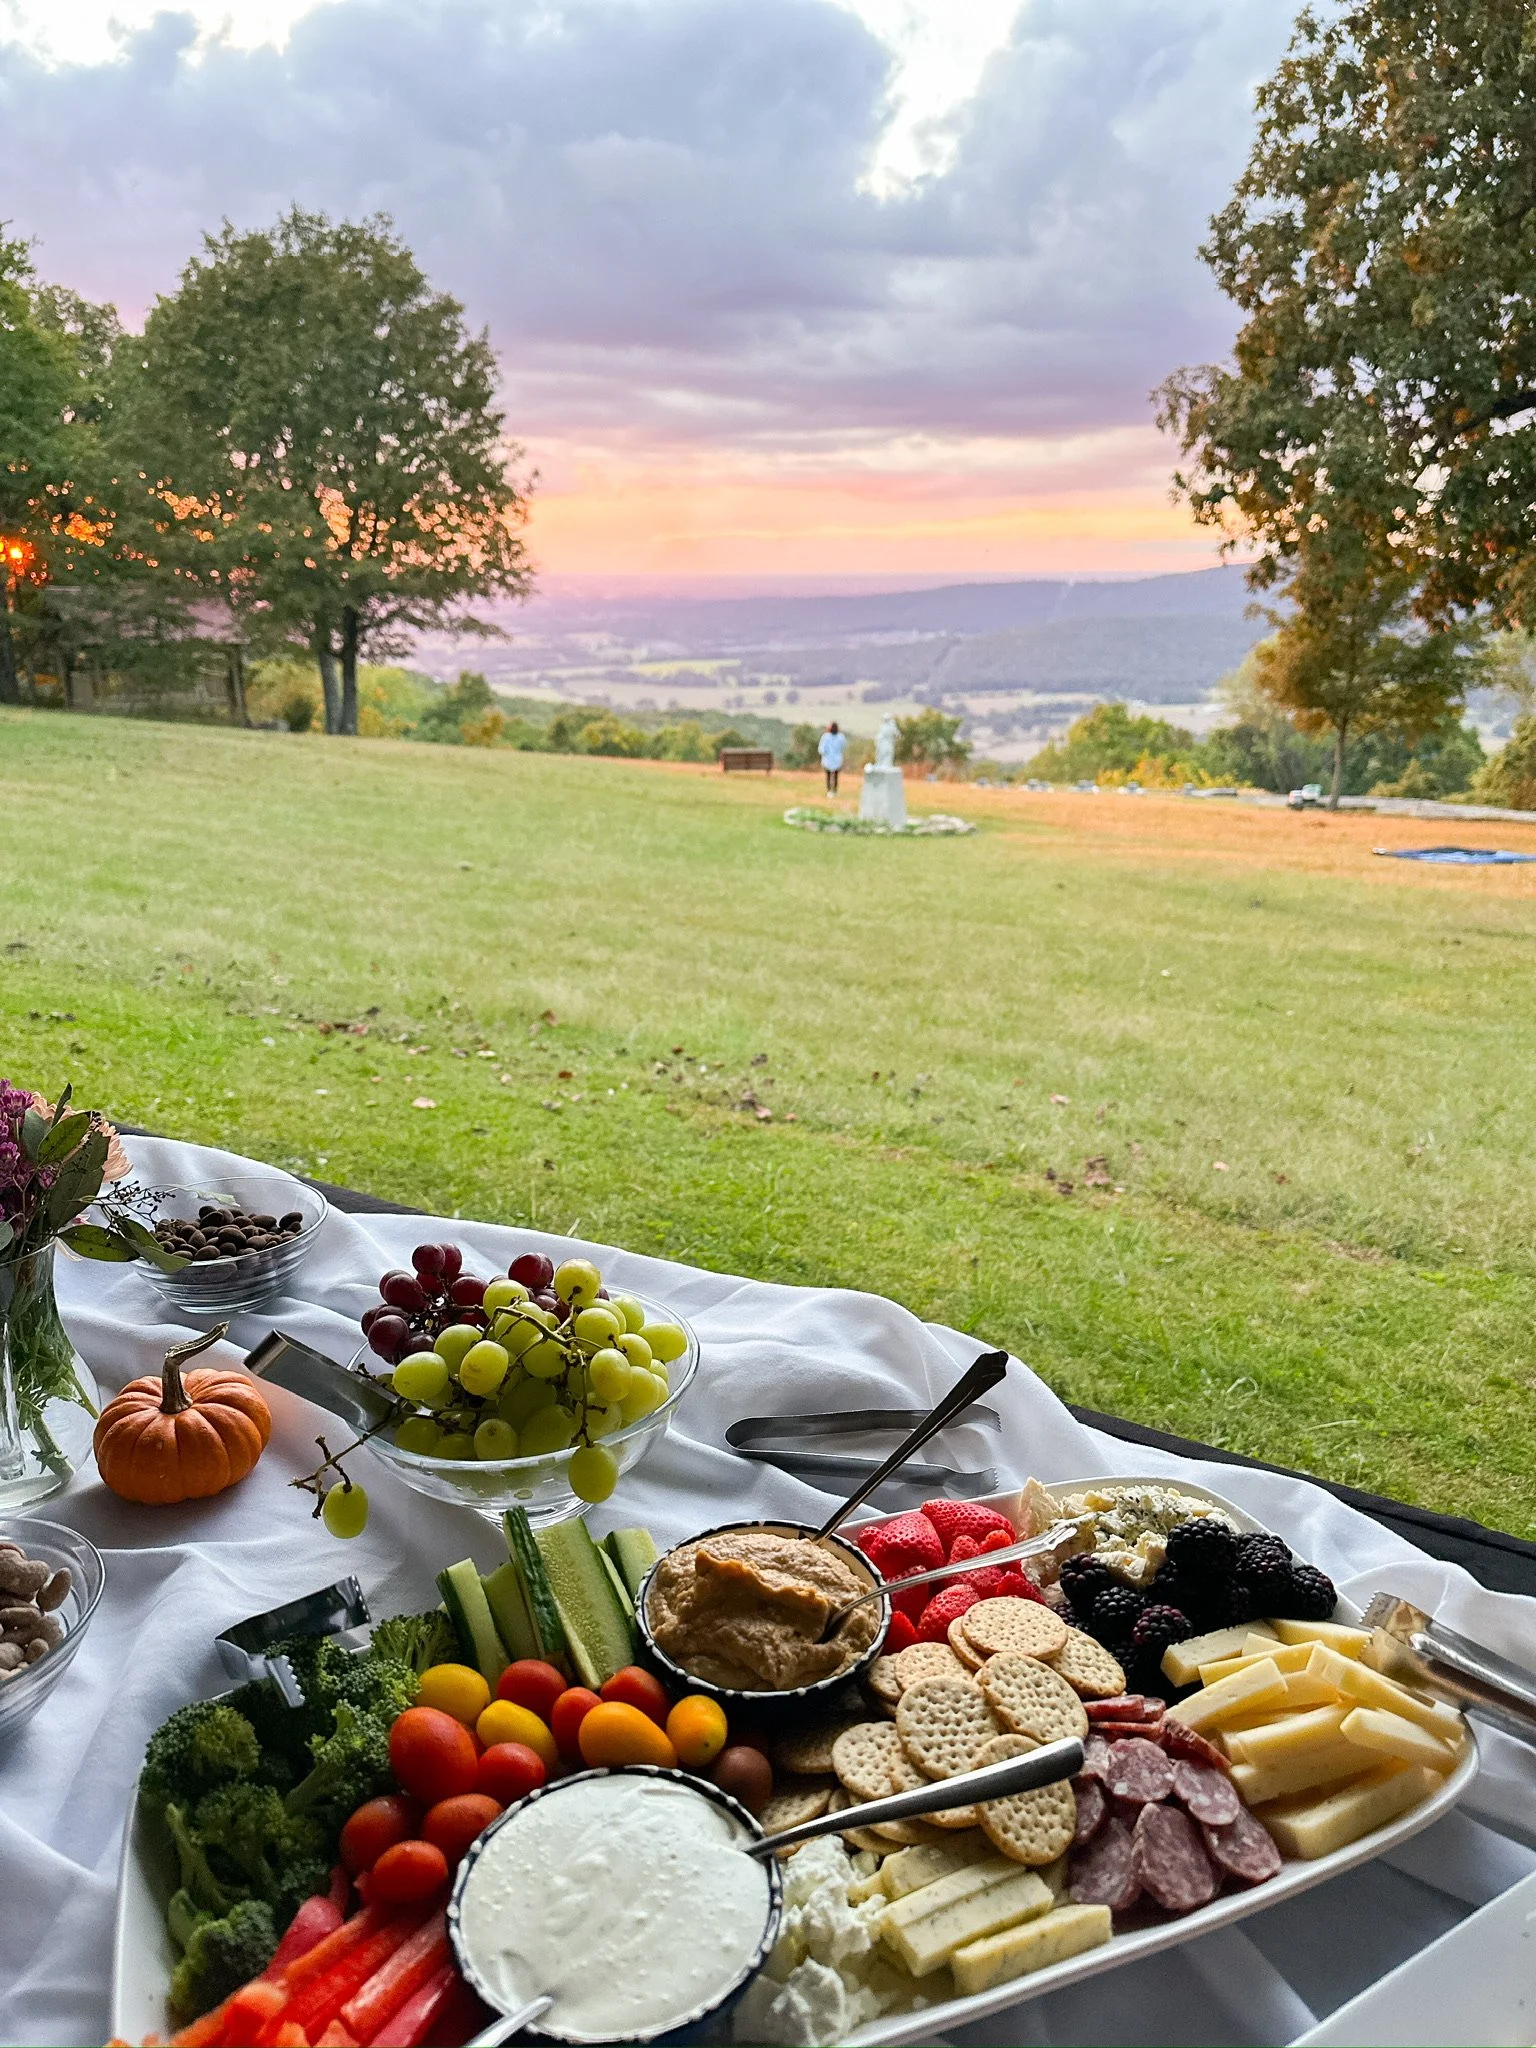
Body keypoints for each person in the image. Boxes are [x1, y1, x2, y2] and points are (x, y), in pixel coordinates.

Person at [818, 720, 846, 794]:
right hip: (835, 759)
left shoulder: (826, 737)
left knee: (829, 776)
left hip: (829, 759)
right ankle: (833, 790)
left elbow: (821, 749)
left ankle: (830, 790)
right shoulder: (840, 737)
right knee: (834, 776)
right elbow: (843, 747)